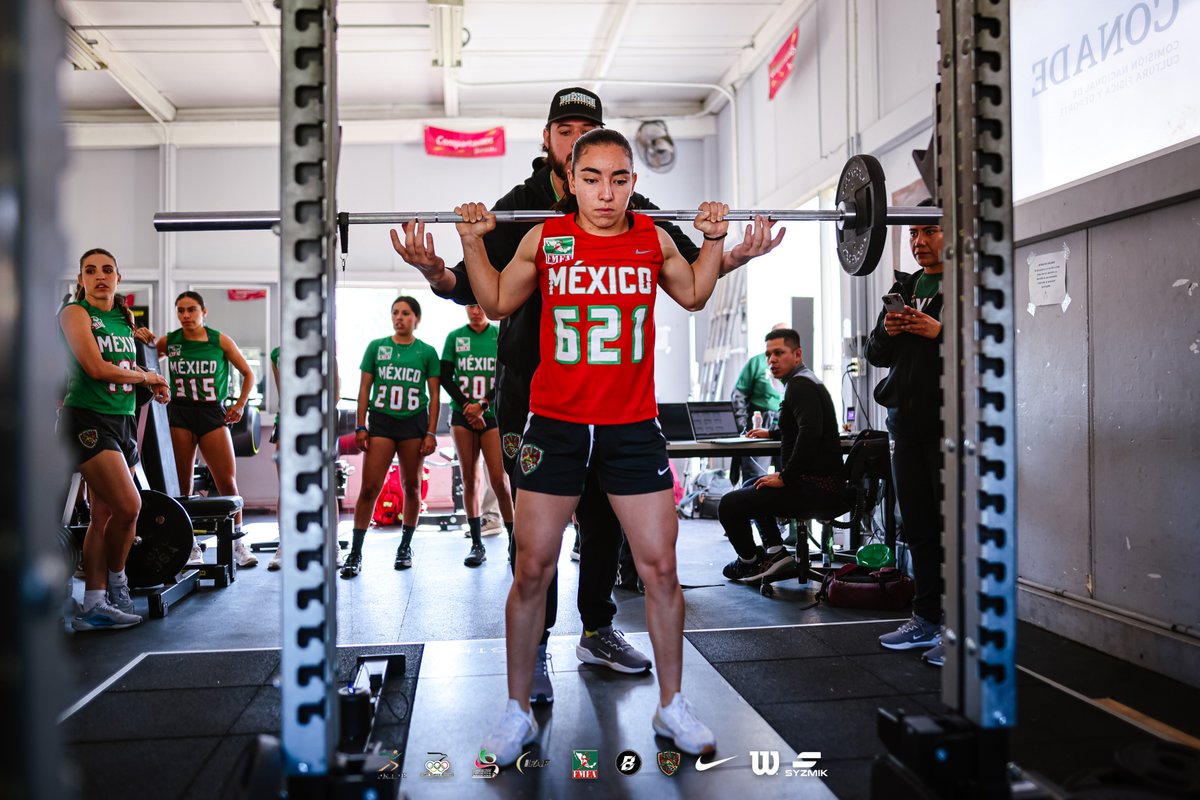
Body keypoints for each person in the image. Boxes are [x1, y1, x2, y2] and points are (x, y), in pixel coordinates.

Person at [392, 86, 785, 699]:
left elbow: (684, 273)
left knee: (604, 520)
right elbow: (481, 292)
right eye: (566, 132)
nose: (579, 146)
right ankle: (538, 649)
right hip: (534, 395)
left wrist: (729, 250)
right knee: (537, 542)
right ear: (551, 144)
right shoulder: (523, 211)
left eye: (590, 133)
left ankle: (597, 628)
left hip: (618, 405)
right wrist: (439, 268)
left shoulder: (632, 208)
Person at [450, 127, 727, 765]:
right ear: (570, 181)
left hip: (632, 427)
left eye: (621, 178)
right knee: (531, 570)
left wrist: (713, 242)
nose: (607, 192)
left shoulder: (652, 238)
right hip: (556, 426)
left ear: (634, 182)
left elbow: (692, 292)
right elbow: (492, 301)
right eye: (594, 178)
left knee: (660, 569)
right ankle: (517, 710)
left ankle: (672, 705)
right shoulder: (544, 239)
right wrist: (470, 241)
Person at [59, 248, 171, 630]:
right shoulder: (76, 314)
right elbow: (94, 366)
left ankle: (94, 603)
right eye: (90, 270)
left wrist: (153, 381)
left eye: (107, 270)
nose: (100, 276)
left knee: (103, 516)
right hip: (87, 420)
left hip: (121, 420)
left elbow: (123, 366)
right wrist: (147, 377)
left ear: (119, 279)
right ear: (81, 280)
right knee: (129, 505)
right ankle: (119, 584)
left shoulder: (124, 320)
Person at [866, 200, 946, 666]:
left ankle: (958, 631)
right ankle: (927, 619)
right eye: (913, 234)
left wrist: (940, 330)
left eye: (928, 232)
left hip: (948, 425)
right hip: (905, 425)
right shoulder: (906, 287)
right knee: (915, 524)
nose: (918, 242)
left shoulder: (968, 283)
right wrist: (891, 331)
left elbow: (988, 344)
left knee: (950, 528)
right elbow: (877, 353)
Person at [718, 329, 846, 580]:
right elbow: (804, 425)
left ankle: (749, 562)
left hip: (814, 488)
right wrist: (773, 433)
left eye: (779, 353)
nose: (771, 360)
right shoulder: (806, 381)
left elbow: (810, 433)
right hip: (822, 485)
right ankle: (776, 553)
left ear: (797, 354)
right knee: (751, 483)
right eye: (768, 355)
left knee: (729, 505)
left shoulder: (799, 386)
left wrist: (786, 477)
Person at [155, 292, 258, 567]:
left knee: (227, 482)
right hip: (180, 412)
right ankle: (189, 545)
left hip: (212, 412)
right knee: (182, 485)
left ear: (204, 311)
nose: (186, 315)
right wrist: (157, 383)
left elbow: (249, 373)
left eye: (191, 310)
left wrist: (239, 404)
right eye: (181, 310)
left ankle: (238, 543)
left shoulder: (219, 340)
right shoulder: (170, 341)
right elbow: (147, 359)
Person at [343, 296, 440, 577]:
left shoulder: (427, 352)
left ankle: (405, 546)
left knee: (411, 486)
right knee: (370, 487)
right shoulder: (376, 347)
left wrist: (431, 432)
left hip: (414, 423)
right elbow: (364, 390)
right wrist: (361, 426)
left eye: (406, 313)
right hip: (382, 421)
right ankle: (355, 551)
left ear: (416, 319)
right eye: (395, 313)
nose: (399, 317)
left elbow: (435, 396)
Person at [440, 304, 514, 567]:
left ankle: (513, 542)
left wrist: (482, 404)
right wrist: (467, 406)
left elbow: (506, 374)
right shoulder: (455, 337)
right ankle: (476, 544)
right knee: (470, 479)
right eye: (470, 306)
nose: (475, 311)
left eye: (480, 305)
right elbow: (446, 377)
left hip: (492, 414)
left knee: (499, 480)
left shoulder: (498, 334)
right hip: (463, 416)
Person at [266, 346, 342, 572]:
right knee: (286, 487)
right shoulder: (277, 353)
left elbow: (334, 394)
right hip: (287, 423)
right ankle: (285, 545)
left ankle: (332, 546)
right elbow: (284, 395)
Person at [731, 322, 788, 481]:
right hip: (759, 421)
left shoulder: (791, 365)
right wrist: (743, 426)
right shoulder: (757, 362)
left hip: (782, 423)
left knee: (786, 475)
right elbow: (738, 395)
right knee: (755, 476)